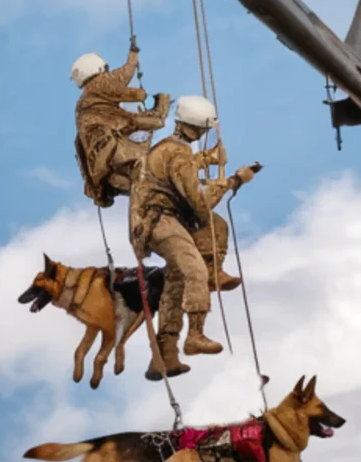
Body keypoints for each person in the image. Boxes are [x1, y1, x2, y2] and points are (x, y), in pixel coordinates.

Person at [130, 95, 257, 379]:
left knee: (175, 282)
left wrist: (208, 160)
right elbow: (197, 204)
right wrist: (234, 181)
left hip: (153, 222)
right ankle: (195, 334)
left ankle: (165, 356)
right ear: (200, 128)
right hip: (161, 221)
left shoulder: (167, 148)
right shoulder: (178, 154)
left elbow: (183, 177)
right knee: (195, 269)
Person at [71, 43, 171, 208]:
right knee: (157, 121)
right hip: (116, 148)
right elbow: (125, 74)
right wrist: (133, 55)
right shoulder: (100, 83)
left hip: (103, 170)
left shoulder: (82, 104)